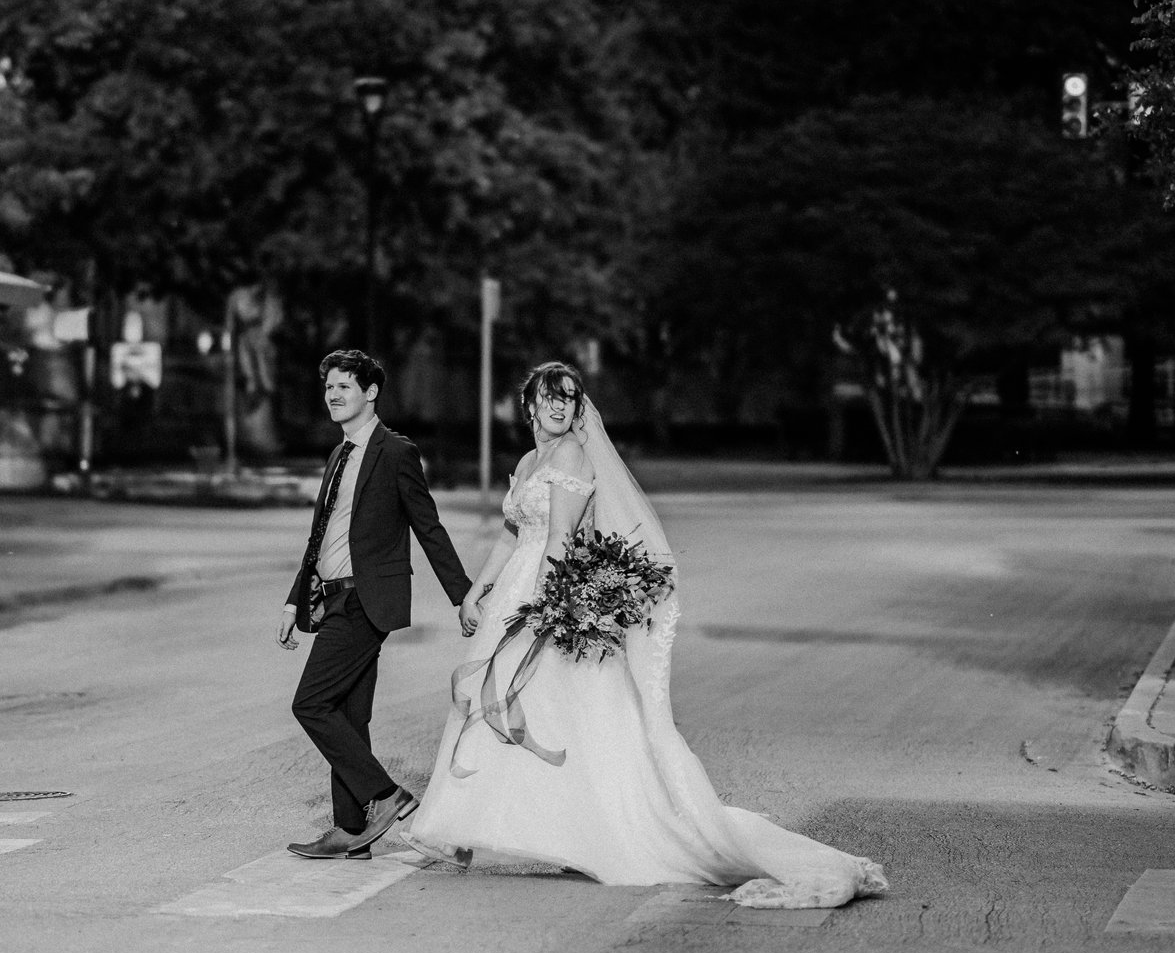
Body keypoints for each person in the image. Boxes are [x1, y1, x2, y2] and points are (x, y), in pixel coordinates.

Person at [403, 362, 887, 908]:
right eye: (550, 396)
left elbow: (560, 538)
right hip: (516, 590)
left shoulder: (570, 455)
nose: (559, 405)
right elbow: (512, 535)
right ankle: (465, 826)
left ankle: (555, 829)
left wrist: (545, 606)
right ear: (530, 405)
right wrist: (478, 591)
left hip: (545, 592)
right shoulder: (527, 461)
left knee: (550, 715)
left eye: (569, 397)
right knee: (503, 707)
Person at [278, 350, 473, 860]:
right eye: (329, 387)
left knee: (310, 703)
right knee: (349, 714)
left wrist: (463, 594)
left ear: (370, 393)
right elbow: (320, 537)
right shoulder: (338, 454)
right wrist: (294, 601)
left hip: (366, 600)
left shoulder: (395, 452)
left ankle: (385, 796)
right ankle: (351, 831)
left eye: (344, 386)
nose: (333, 395)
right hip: (331, 597)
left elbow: (428, 527)